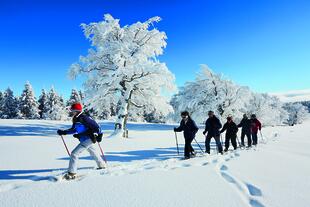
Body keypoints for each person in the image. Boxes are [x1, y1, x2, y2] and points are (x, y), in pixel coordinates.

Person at [57, 103, 105, 180]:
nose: (71, 111)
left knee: (74, 153)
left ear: (77, 111)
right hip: (84, 139)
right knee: (92, 151)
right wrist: (64, 132)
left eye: (72, 110)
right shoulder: (76, 118)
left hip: (89, 138)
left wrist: (100, 135)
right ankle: (102, 165)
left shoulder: (84, 118)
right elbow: (74, 130)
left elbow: (97, 126)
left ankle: (71, 173)